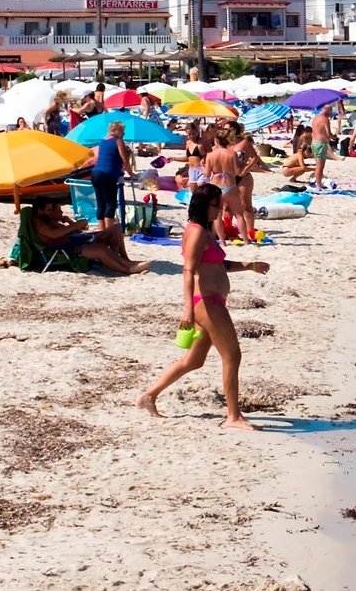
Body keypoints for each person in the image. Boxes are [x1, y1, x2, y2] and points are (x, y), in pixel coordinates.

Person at [139, 183, 269, 430]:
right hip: (206, 303)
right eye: (216, 204)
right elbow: (188, 270)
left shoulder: (207, 231)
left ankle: (149, 396)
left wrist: (251, 265)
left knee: (193, 360)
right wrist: (188, 309)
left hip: (214, 301)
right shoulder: (196, 231)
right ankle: (233, 417)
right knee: (232, 355)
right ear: (202, 205)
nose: (220, 209)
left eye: (220, 204)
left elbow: (219, 265)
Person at [32, 201, 151, 274]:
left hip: (72, 244)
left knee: (111, 234)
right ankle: (128, 270)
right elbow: (55, 235)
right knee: (101, 249)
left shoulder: (47, 221)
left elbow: (71, 232)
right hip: (63, 251)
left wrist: (70, 222)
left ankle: (127, 264)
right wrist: (74, 225)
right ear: (39, 210)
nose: (50, 212)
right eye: (48, 210)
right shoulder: (39, 224)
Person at [92, 120, 133, 234]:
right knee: (111, 204)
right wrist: (131, 173)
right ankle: (109, 233)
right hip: (107, 174)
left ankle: (102, 231)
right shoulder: (118, 141)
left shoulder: (102, 141)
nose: (123, 134)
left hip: (95, 173)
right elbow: (124, 158)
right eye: (122, 131)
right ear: (116, 131)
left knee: (101, 204)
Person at [310, 104, 334, 188]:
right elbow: (328, 133)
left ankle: (318, 184)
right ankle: (318, 186)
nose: (331, 113)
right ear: (327, 111)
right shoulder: (325, 119)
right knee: (320, 166)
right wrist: (334, 137)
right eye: (331, 111)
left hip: (314, 142)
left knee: (318, 165)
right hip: (320, 144)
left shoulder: (316, 117)